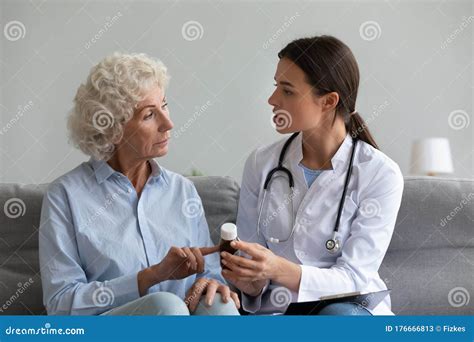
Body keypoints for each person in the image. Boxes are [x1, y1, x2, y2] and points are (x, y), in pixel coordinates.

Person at [39, 52, 240, 316]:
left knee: (219, 306)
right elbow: (61, 303)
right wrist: (150, 277)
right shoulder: (65, 196)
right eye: (149, 115)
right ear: (113, 128)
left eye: (164, 105)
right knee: (165, 306)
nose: (168, 123)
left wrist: (213, 283)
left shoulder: (181, 191)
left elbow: (209, 272)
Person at [221, 36, 404, 315]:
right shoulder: (262, 162)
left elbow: (354, 278)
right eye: (275, 87)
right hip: (277, 311)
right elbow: (252, 265)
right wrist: (249, 276)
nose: (272, 100)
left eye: (288, 91)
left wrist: (279, 269)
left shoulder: (380, 174)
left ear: (329, 101)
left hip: (348, 310)